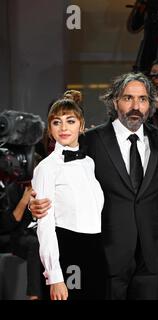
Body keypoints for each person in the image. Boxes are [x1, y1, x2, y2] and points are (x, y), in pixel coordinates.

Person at [30, 73, 158, 300]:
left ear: (150, 104)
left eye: (142, 99)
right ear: (115, 101)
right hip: (105, 256)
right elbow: (60, 176)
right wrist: (34, 207)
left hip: (150, 258)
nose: (135, 105)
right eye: (128, 98)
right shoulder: (90, 140)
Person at [32, 98, 105, 300]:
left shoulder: (89, 162)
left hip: (95, 251)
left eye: (70, 121)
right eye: (57, 122)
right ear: (50, 128)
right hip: (67, 251)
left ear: (81, 125)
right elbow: (44, 226)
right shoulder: (46, 168)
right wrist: (55, 276)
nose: (63, 127)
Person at [0, 182, 42, 300]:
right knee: (34, 243)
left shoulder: (42, 187)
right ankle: (34, 295)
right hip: (18, 238)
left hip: (37, 233)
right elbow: (11, 222)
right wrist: (25, 199)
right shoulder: (12, 190)